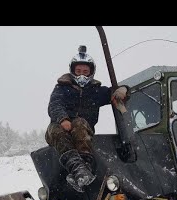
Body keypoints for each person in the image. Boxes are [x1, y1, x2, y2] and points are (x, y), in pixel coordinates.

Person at [46, 45, 130, 192]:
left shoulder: (95, 91)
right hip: (60, 129)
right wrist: (63, 119)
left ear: (91, 72)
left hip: (82, 132)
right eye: (78, 71)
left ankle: (85, 168)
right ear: (72, 71)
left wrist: (123, 91)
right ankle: (77, 168)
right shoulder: (61, 88)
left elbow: (114, 92)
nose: (82, 75)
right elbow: (55, 105)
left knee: (79, 123)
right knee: (56, 129)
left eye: (85, 72)